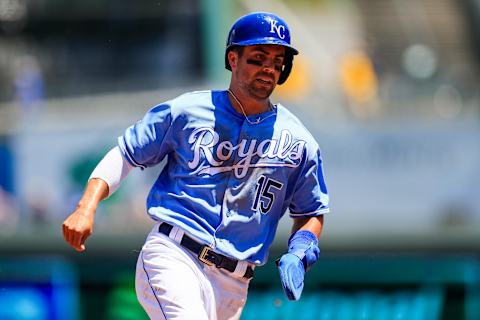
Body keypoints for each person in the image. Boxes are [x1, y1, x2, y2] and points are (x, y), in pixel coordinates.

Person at [62, 11, 329, 320]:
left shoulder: (300, 141)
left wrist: (300, 250)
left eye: (277, 60)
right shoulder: (187, 111)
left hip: (234, 284)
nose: (269, 68)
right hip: (175, 255)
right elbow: (127, 153)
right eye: (258, 57)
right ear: (233, 58)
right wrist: (86, 206)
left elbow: (310, 211)